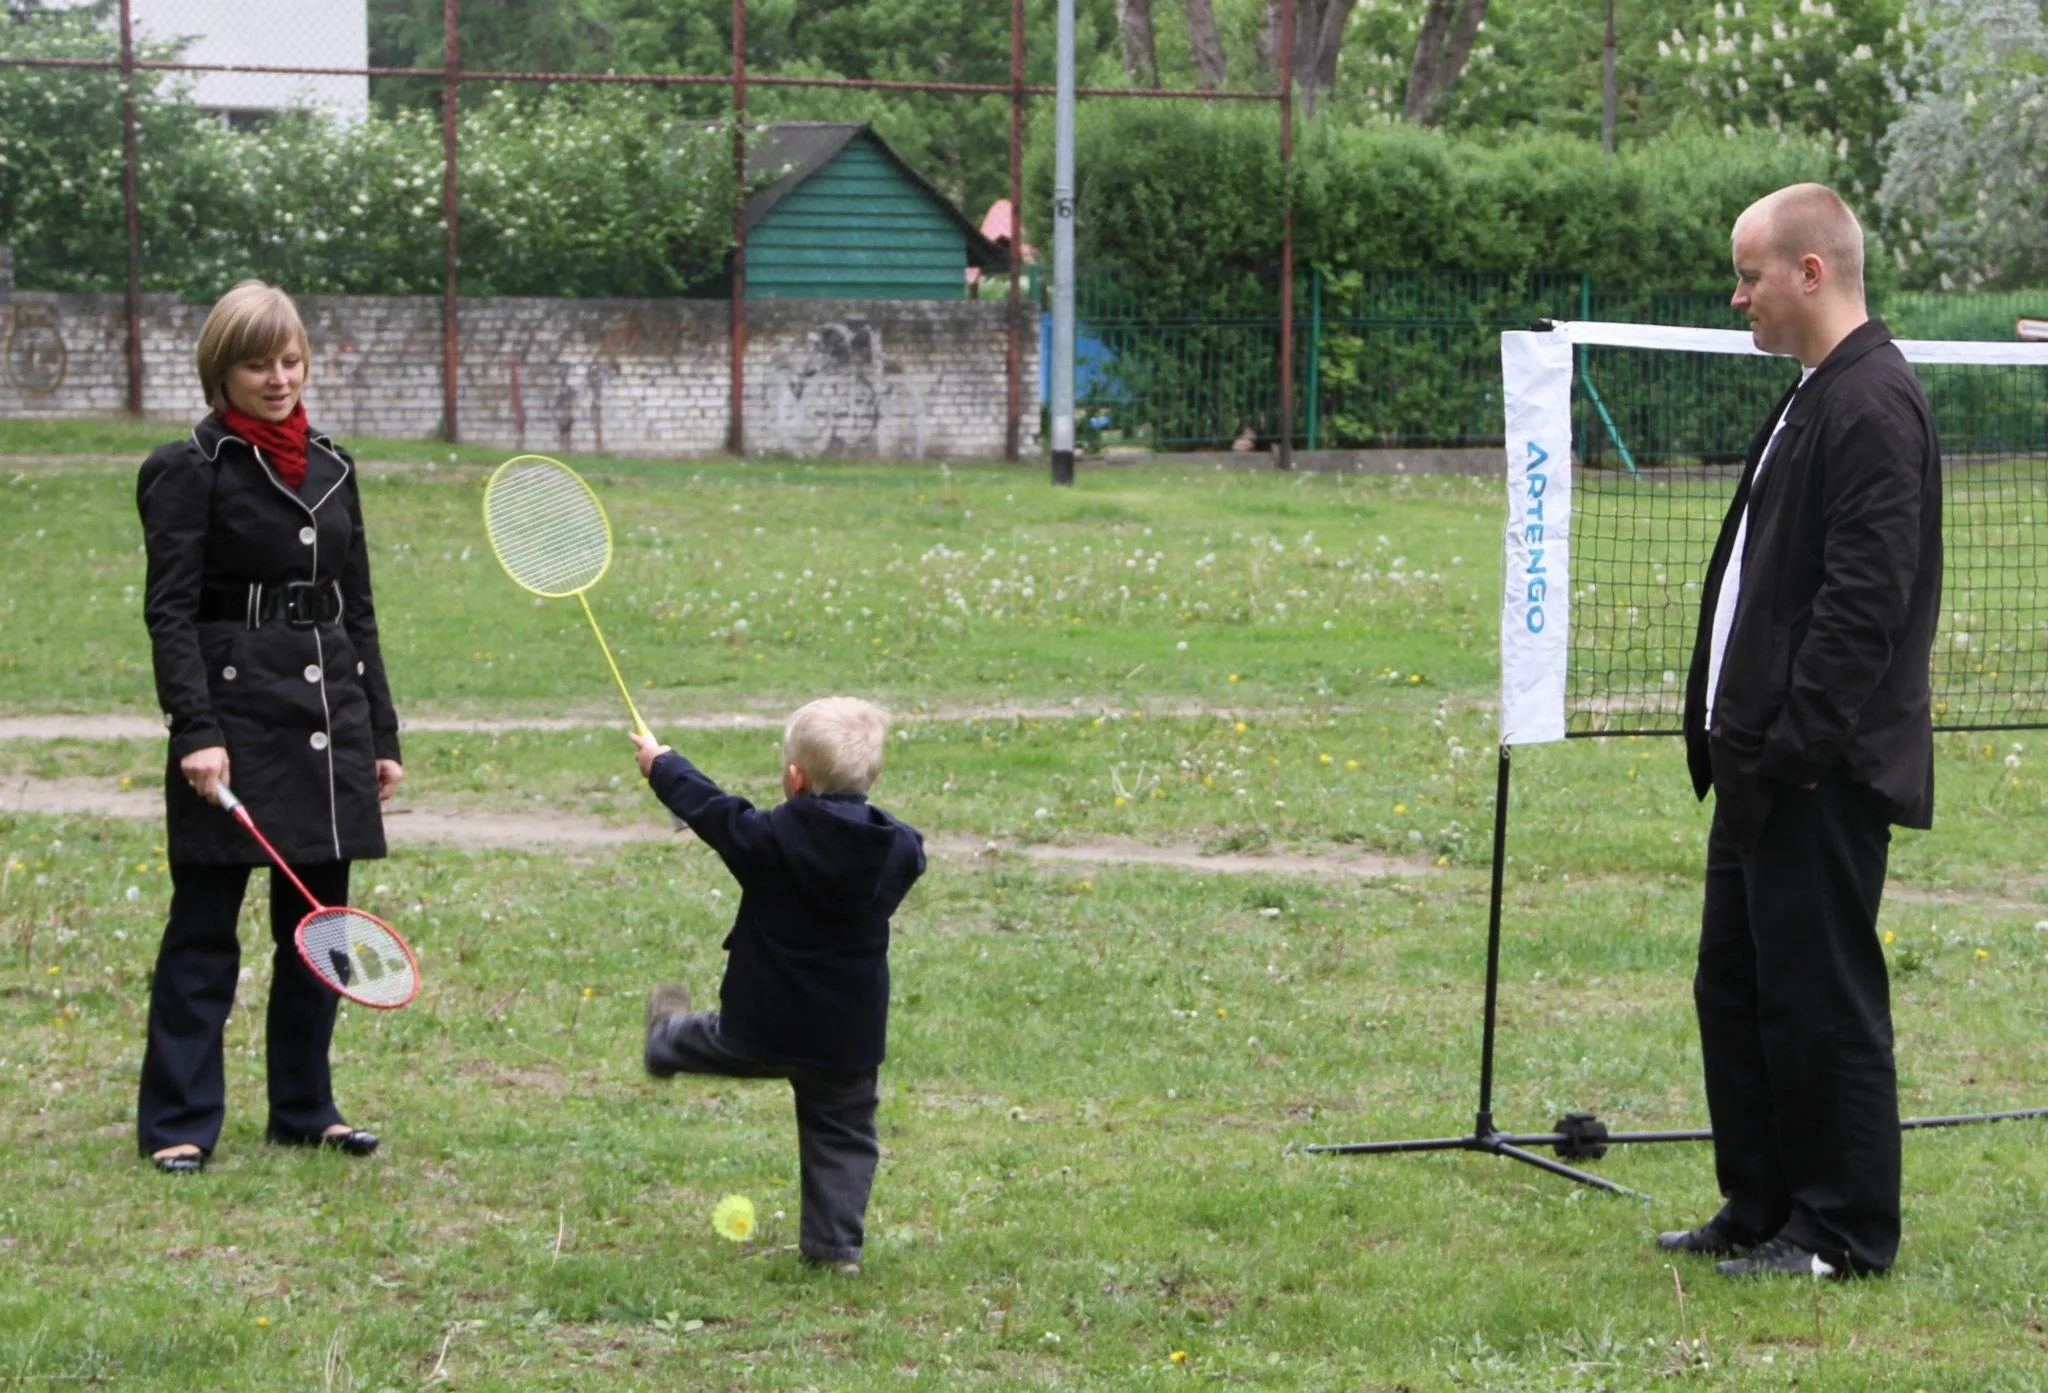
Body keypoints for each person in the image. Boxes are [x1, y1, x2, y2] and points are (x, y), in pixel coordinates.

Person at [1661, 185, 1941, 1278]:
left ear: (1808, 273)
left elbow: (1862, 607)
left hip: (1812, 772)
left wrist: (1791, 750)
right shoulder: (1812, 393)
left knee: (1819, 999)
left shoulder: (1870, 402)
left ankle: (1841, 1231)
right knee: (1735, 989)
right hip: (1757, 764)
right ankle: (1761, 1206)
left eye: (1748, 275)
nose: (1738, 297)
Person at [135, 280, 404, 1174]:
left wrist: (383, 735)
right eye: (258, 362)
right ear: (223, 369)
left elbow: (358, 612)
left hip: (328, 720)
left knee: (320, 928)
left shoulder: (333, 466)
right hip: (234, 725)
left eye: (291, 359)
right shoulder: (188, 469)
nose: (279, 377)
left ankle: (304, 1107)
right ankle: (178, 1119)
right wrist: (194, 731)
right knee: (205, 930)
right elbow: (170, 614)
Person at [631, 698, 926, 1274]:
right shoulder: (900, 849)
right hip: (847, 1037)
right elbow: (910, 854)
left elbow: (713, 810)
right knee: (841, 1137)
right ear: (874, 776)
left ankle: (663, 1041)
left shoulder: (766, 839)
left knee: (709, 1040)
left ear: (794, 778)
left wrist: (663, 765)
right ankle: (835, 1251)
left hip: (764, 1023)